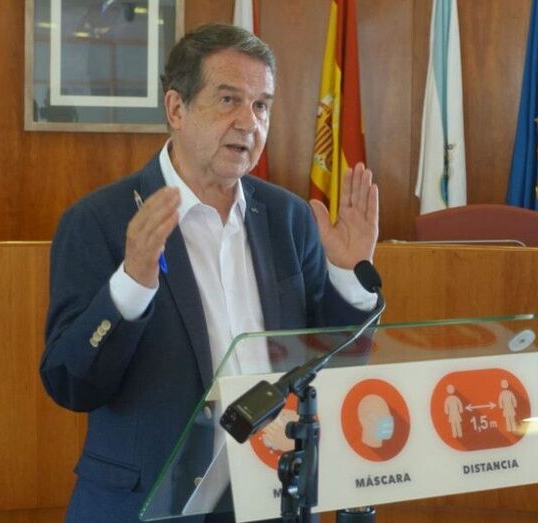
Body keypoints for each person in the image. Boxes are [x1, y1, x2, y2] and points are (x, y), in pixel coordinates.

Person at [40, 23, 379, 523]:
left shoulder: (288, 218)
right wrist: (130, 286)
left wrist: (347, 278)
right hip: (147, 506)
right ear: (176, 109)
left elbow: (327, 365)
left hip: (270, 497)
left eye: (261, 105)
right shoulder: (100, 221)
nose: (249, 122)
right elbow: (70, 383)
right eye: (228, 100)